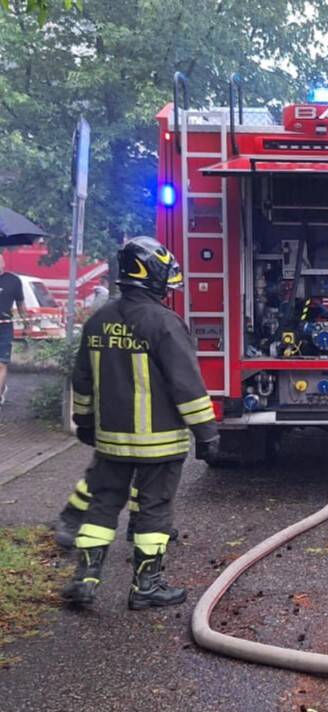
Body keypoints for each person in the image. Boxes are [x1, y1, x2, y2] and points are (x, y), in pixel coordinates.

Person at [62, 236, 219, 609]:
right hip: (159, 443)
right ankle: (146, 586)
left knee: (102, 506)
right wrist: (207, 432)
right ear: (151, 275)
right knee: (154, 510)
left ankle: (84, 579)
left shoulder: (98, 320)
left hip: (111, 441)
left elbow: (81, 379)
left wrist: (84, 421)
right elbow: (187, 384)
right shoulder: (164, 323)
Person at [0, 253, 27, 411]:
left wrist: (26, 324)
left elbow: (21, 304)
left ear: (3, 264)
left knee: (1, 363)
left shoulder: (13, 280)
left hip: (4, 327)